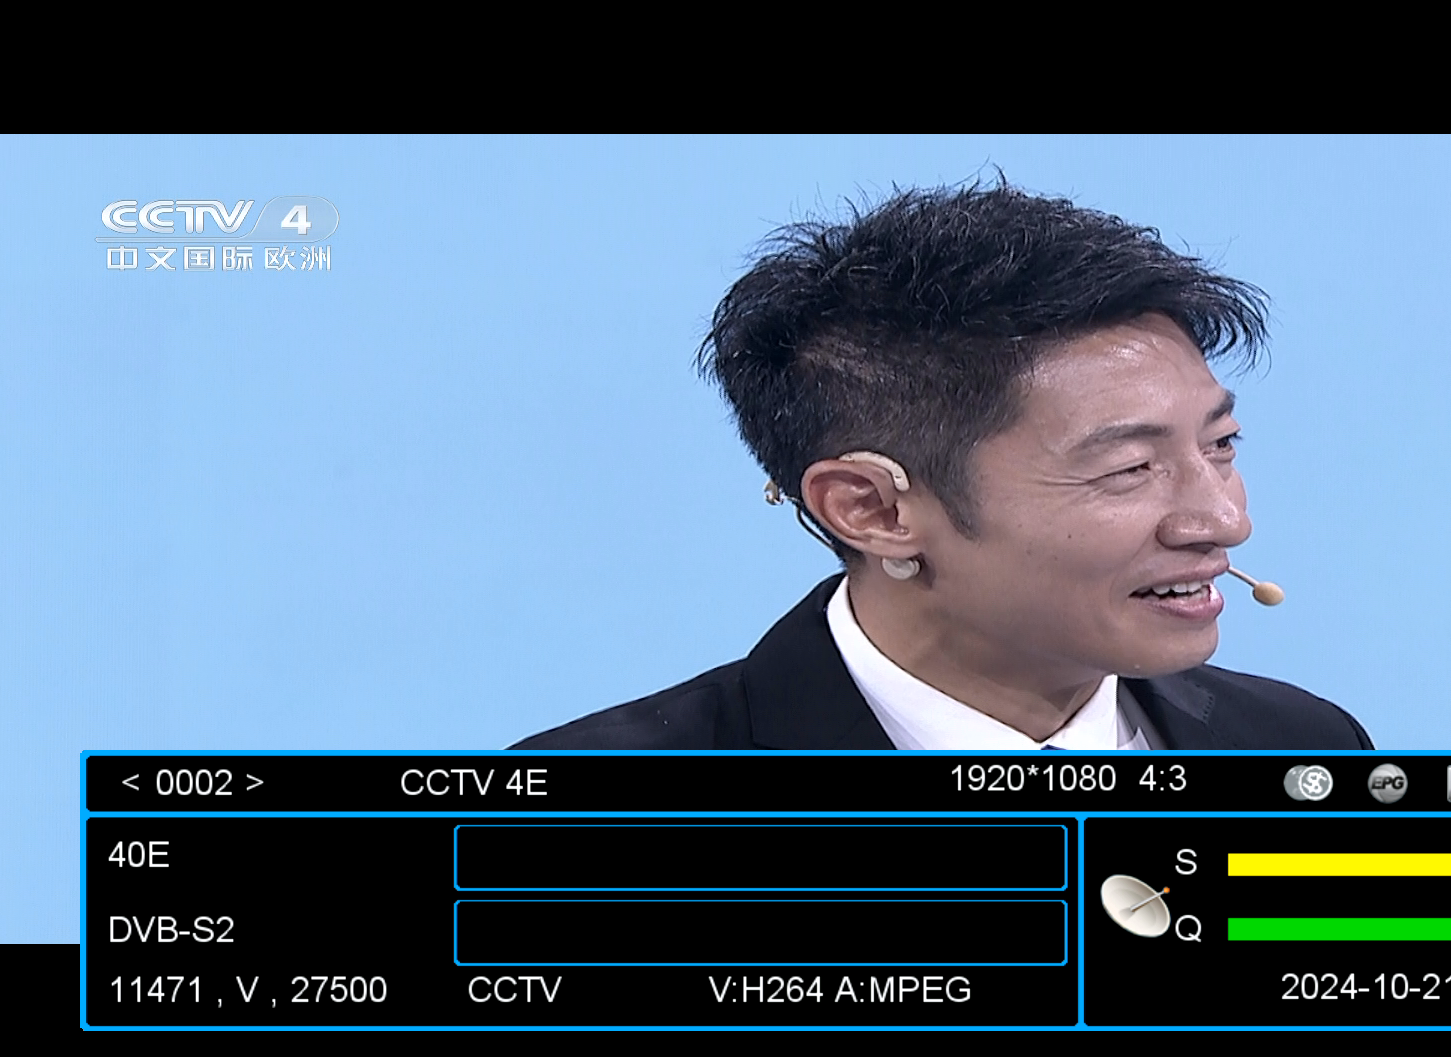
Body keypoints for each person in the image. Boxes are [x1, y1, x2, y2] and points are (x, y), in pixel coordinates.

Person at [514, 182, 1370, 751]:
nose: (1223, 520)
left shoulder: (1302, 747)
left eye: (1221, 445)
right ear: (873, 508)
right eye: (1130, 467)